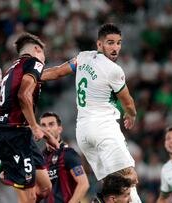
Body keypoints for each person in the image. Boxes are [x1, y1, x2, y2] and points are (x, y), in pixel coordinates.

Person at [41, 23, 141, 202]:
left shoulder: (83, 57)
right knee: (128, 180)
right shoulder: (114, 70)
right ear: (99, 44)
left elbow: (56, 72)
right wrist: (131, 115)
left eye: (118, 43)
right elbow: (128, 102)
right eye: (110, 43)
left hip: (84, 133)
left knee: (112, 187)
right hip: (104, 129)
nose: (115, 48)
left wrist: (32, 75)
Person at [0, 33, 59, 203]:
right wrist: (35, 126)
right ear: (37, 49)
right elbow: (23, 95)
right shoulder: (33, 63)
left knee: (45, 188)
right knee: (29, 195)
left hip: (18, 133)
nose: (44, 60)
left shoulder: (13, 68)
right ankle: (8, 170)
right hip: (14, 135)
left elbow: (56, 73)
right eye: (44, 55)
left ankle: (8, 170)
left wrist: (78, 63)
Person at [40, 112, 89, 203]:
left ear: (59, 129)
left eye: (51, 124)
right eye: (43, 125)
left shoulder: (68, 153)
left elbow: (83, 184)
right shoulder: (39, 158)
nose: (47, 129)